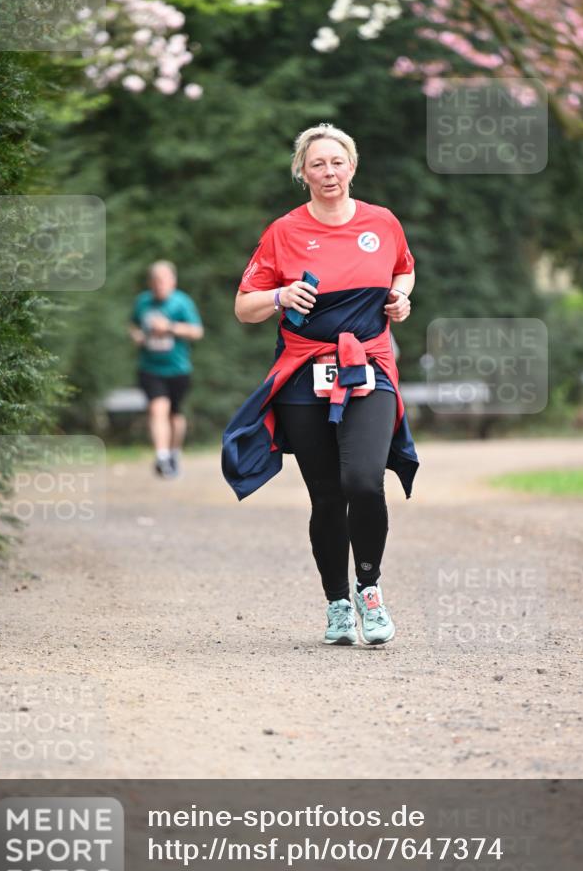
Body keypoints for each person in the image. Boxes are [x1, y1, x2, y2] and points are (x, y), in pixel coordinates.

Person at [222, 123, 418, 646]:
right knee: (328, 496)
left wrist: (401, 298)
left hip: (368, 366)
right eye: (317, 165)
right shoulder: (283, 231)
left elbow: (404, 270)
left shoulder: (383, 222)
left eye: (336, 162)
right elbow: (245, 307)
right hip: (304, 375)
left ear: (352, 166)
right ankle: (337, 606)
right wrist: (282, 296)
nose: (328, 173)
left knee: (363, 481)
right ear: (301, 172)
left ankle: (370, 594)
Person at [129, 260, 204, 478]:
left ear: (173, 281)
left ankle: (173, 453)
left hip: (178, 368)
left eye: (163, 280)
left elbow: (197, 332)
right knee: (157, 408)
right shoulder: (142, 302)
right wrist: (137, 336)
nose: (159, 284)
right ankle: (161, 457)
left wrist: (170, 327)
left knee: (175, 415)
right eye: (155, 280)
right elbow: (133, 324)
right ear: (150, 282)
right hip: (150, 367)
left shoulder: (182, 303)